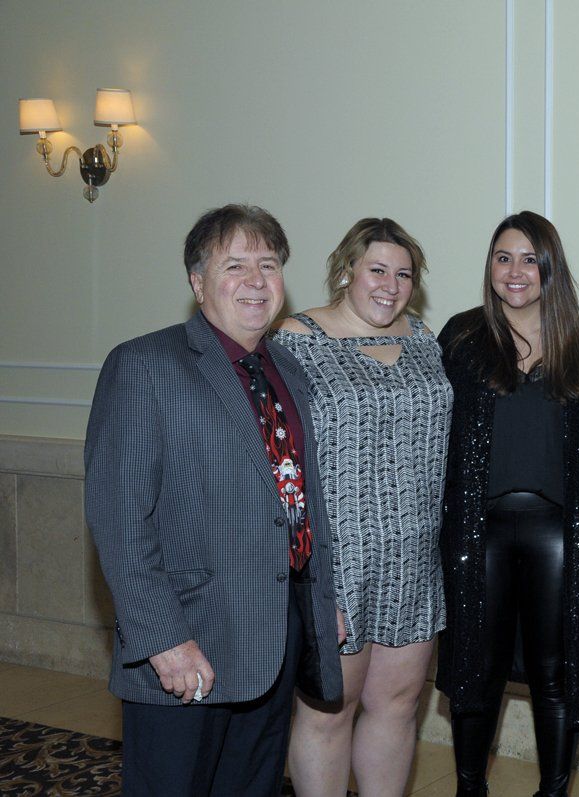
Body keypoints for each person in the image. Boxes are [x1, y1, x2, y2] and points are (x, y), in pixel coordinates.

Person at [85, 204, 344, 795]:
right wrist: (163, 640)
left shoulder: (288, 372)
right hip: (188, 644)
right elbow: (121, 522)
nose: (256, 280)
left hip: (275, 637)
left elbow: (298, 499)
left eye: (269, 264)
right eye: (235, 265)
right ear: (198, 283)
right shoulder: (145, 365)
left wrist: (315, 600)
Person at [437, 211, 579, 797]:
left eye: (530, 258)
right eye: (503, 257)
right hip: (475, 530)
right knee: (474, 668)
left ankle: (553, 790)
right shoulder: (461, 339)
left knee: (553, 672)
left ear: (550, 268)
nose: (516, 271)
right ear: (489, 266)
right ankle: (469, 789)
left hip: (560, 530)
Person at [275, 218, 451, 796]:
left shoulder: (424, 338)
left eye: (404, 274)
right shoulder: (295, 340)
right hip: (335, 558)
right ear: (346, 269)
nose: (390, 285)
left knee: (397, 705)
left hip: (414, 554)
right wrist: (303, 574)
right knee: (330, 709)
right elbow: (276, 461)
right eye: (377, 269)